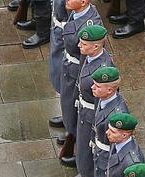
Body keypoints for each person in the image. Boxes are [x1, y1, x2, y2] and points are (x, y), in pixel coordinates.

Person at [72, 25, 113, 177]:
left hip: (92, 117)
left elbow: (103, 103)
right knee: (83, 153)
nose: (79, 45)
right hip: (84, 111)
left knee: (91, 158)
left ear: (96, 47)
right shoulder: (89, 57)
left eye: (84, 43)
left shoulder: (103, 70)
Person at [58, 0, 103, 167]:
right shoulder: (77, 13)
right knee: (68, 106)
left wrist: (80, 82)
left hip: (77, 70)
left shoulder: (89, 24)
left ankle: (79, 150)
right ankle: (71, 130)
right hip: (69, 65)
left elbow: (87, 61)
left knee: (76, 110)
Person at [47, 0, 68, 129]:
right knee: (57, 74)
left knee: (68, 83)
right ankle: (67, 115)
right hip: (58, 28)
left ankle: (71, 122)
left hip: (67, 33)